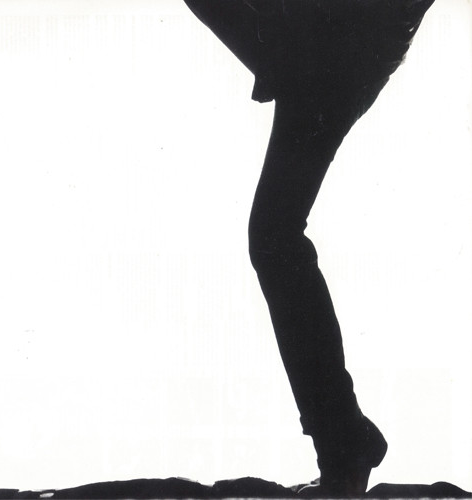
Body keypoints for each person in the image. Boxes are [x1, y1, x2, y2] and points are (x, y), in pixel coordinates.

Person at [183, 0, 435, 496]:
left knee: (274, 237)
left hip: (339, 40)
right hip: (337, 42)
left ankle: (343, 443)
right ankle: (342, 442)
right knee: (274, 236)